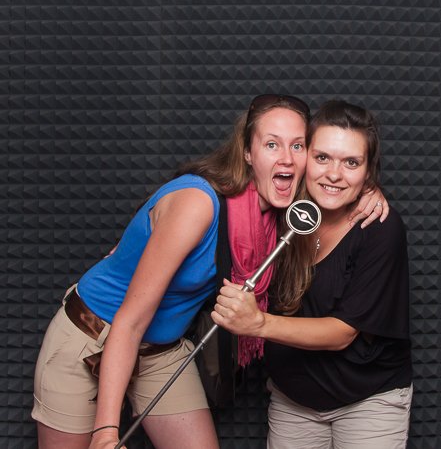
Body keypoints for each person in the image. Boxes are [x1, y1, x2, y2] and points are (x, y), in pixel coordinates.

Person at [32, 93, 388, 449]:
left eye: (298, 146)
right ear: (247, 152)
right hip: (93, 333)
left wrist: (367, 191)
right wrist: (106, 432)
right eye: (271, 144)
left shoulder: (284, 215)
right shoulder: (198, 203)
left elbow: (335, 182)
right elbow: (131, 320)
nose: (286, 158)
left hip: (160, 348)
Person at [213, 100, 413, 449]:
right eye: (322, 157)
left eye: (351, 163)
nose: (334, 174)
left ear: (368, 171)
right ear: (303, 157)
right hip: (293, 400)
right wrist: (144, 238)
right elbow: (209, 193)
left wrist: (258, 323)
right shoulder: (283, 209)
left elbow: (342, 333)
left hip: (367, 400)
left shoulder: (380, 227)